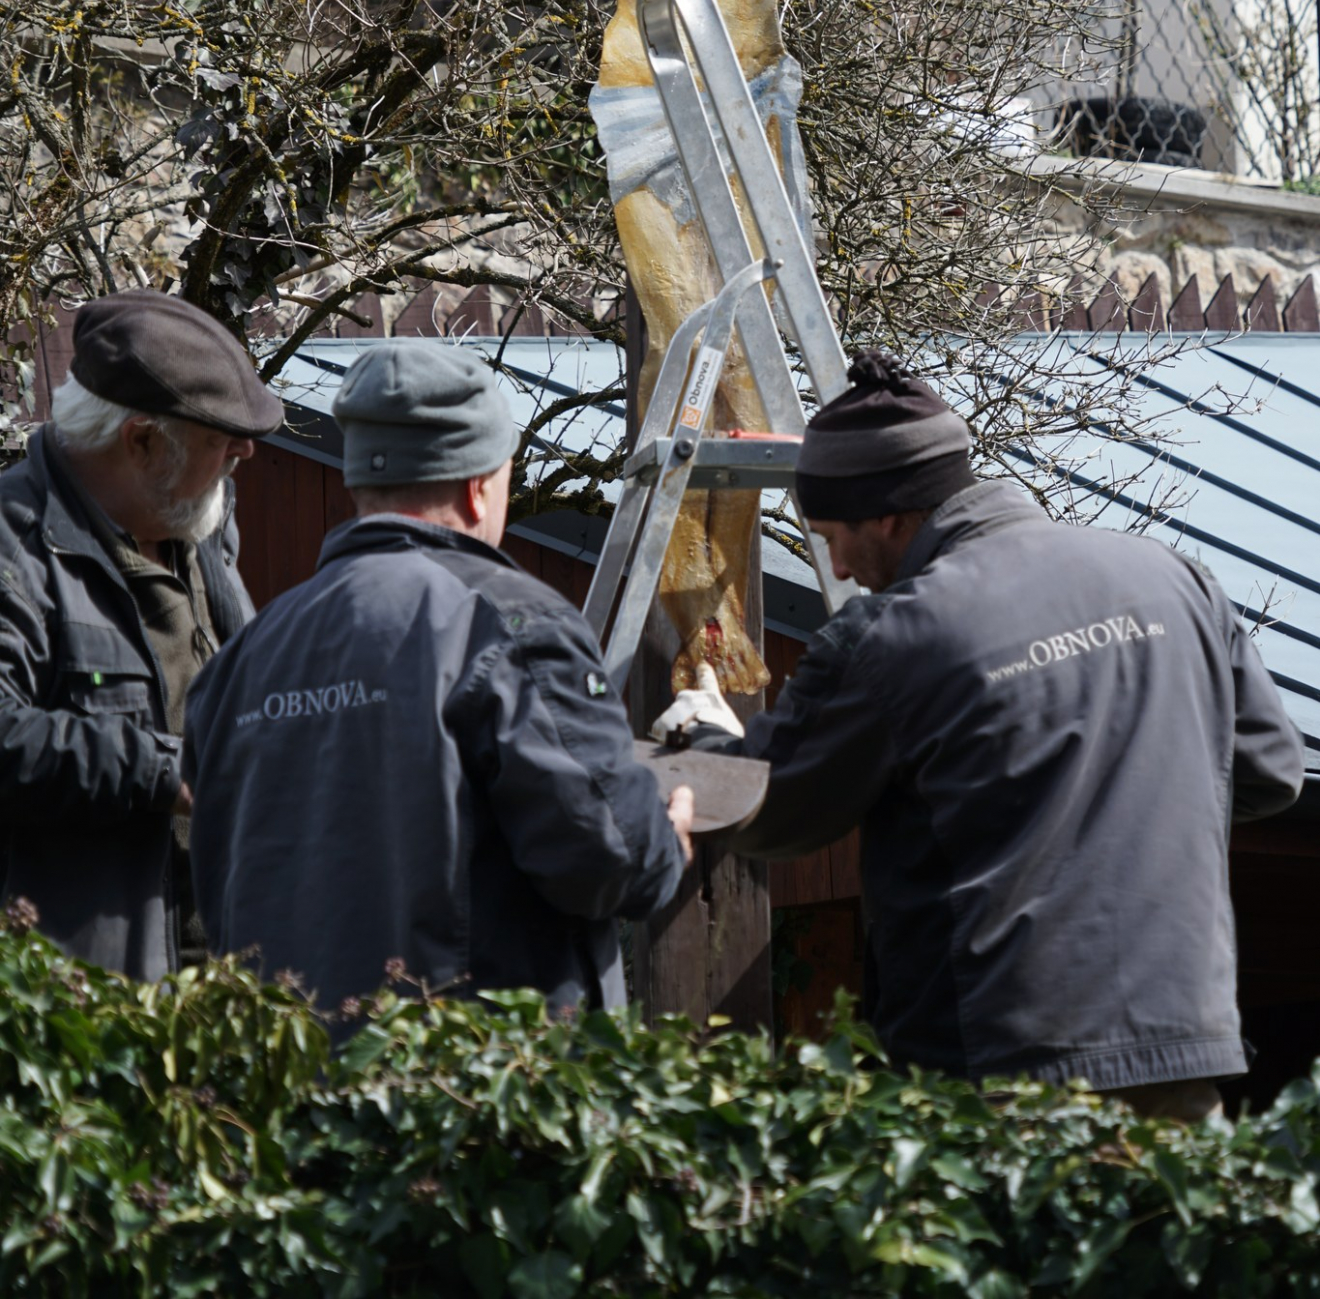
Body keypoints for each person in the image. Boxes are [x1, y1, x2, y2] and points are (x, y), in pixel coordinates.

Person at [242, 0, 1132, 701]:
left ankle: (733, 633)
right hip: (642, 103)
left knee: (752, 380)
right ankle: (702, 647)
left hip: (750, 104)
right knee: (679, 352)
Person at [655, 351, 1305, 1120]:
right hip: (1181, 1049)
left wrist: (706, 745)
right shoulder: (1175, 577)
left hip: (995, 1075)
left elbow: (780, 810)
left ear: (891, 515)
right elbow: (1268, 773)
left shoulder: (900, 634)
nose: (835, 564)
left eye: (834, 535)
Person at [185, 341, 692, 1021]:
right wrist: (667, 837)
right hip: (467, 1090)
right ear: (479, 484)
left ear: (361, 481)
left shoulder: (247, 652)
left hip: (287, 1087)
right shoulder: (512, 622)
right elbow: (607, 851)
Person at [0, 290, 282, 979]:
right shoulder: (14, 549)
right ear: (143, 440)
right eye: (219, 438)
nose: (244, 451)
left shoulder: (199, 526)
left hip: (227, 979)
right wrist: (161, 769)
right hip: (85, 1016)